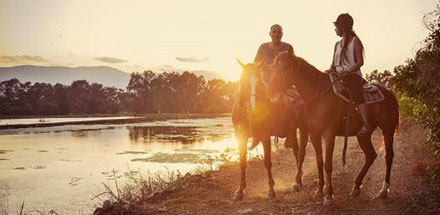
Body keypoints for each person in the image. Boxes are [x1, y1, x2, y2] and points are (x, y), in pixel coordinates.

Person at [326, 13, 369, 136]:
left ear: (342, 27)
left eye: (337, 26)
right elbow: (333, 64)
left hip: (352, 75)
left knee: (356, 92)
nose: (335, 29)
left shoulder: (355, 41)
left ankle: (366, 123)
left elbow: (360, 62)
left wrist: (348, 71)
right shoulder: (336, 45)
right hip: (338, 75)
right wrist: (330, 70)